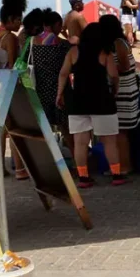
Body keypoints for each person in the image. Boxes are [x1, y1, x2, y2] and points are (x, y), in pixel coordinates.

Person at [57, 23, 127, 188]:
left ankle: (83, 177)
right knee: (109, 141)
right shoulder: (105, 53)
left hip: (78, 102)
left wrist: (59, 93)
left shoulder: (73, 52)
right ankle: (116, 175)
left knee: (80, 142)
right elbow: (113, 75)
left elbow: (63, 73)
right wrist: (115, 89)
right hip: (102, 101)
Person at [99, 15, 140, 174]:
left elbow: (124, 66)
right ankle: (123, 165)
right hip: (126, 89)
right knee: (120, 131)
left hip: (123, 90)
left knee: (120, 132)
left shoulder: (118, 43)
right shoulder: (119, 42)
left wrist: (107, 68)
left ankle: (124, 166)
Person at [0, 0, 28, 180]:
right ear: (10, 19)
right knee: (15, 129)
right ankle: (20, 169)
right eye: (18, 20)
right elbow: (15, 66)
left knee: (1, 129)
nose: (20, 23)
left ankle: (0, 166)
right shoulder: (12, 39)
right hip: (10, 86)